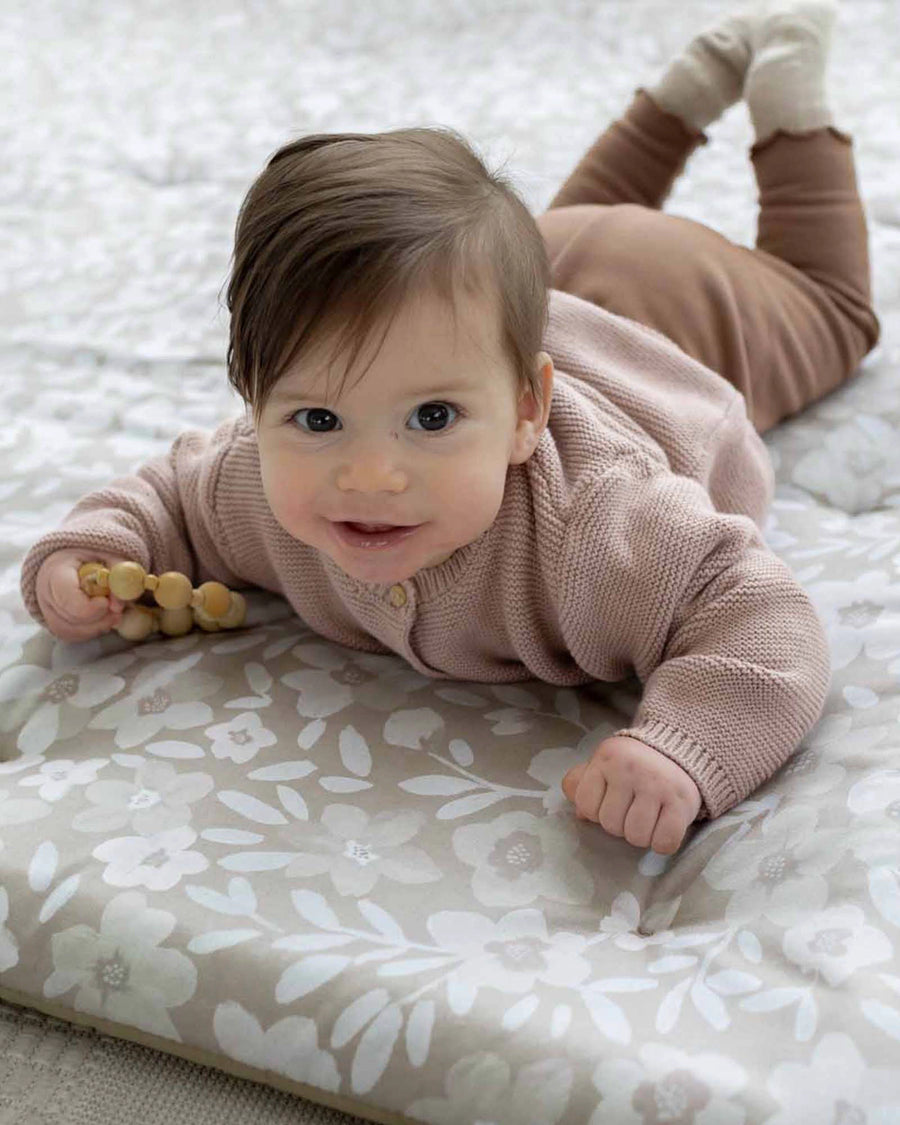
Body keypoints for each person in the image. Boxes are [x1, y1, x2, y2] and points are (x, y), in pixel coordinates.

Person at [20, 1, 878, 856]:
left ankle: (787, 94)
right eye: (318, 418)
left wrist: (683, 748)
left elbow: (763, 620)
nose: (369, 475)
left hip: (689, 309)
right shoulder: (256, 482)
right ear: (252, 400)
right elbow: (168, 498)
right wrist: (87, 555)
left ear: (526, 414)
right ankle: (679, 97)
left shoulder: (604, 532)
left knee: (836, 311)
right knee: (514, 257)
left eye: (431, 418)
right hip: (541, 273)